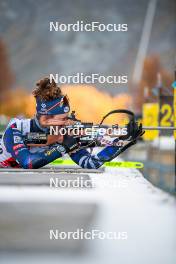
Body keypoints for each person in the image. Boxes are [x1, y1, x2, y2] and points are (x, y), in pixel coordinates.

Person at [0, 77, 143, 169]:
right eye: (62, 119)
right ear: (45, 118)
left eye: (67, 117)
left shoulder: (63, 134)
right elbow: (29, 163)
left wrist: (121, 141)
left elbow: (91, 163)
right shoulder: (15, 128)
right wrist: (63, 146)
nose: (67, 122)